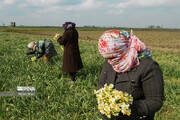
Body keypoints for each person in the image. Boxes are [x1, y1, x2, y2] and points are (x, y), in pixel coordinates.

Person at [97, 30, 164, 120]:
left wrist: (126, 109)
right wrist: (104, 101)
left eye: (112, 57)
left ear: (122, 50)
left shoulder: (147, 66)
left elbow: (155, 101)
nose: (110, 61)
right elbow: (101, 84)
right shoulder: (111, 61)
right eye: (106, 58)